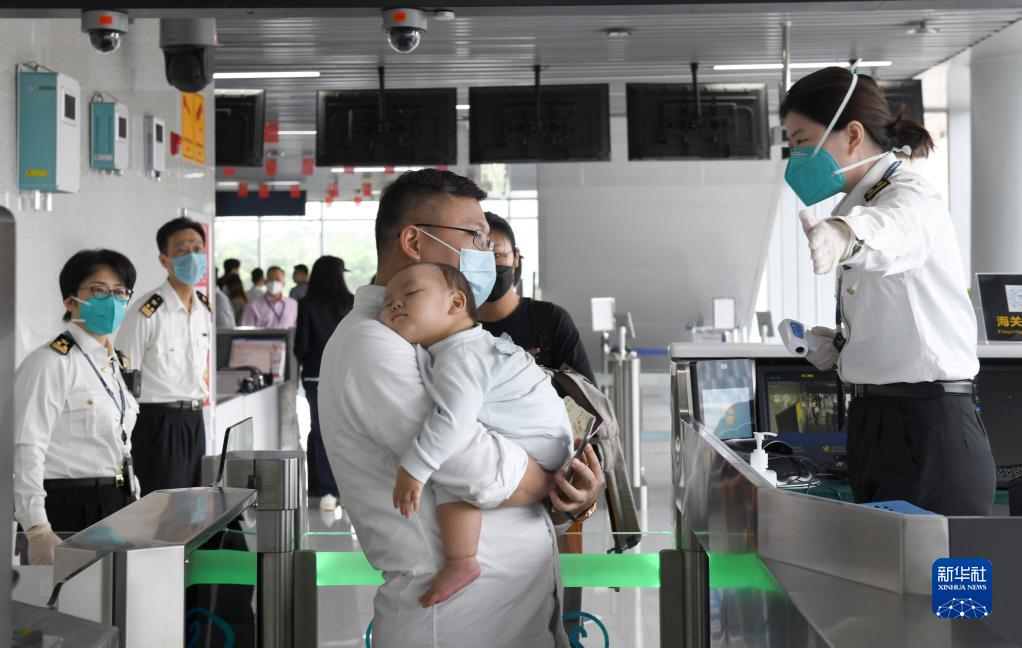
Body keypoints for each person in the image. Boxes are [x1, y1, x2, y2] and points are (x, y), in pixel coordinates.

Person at [318, 169, 603, 647]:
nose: (485, 253)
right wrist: (554, 478)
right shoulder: (372, 343)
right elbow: (475, 467)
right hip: (454, 625)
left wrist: (574, 498)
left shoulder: (435, 338)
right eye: (474, 236)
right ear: (414, 241)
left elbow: (507, 459)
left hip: (506, 618)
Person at [781, 65, 995, 516]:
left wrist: (843, 236)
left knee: (940, 565)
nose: (796, 157)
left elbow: (891, 232)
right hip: (878, 420)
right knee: (881, 562)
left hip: (927, 427)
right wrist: (845, 349)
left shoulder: (909, 195)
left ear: (852, 134)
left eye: (802, 141)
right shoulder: (865, 199)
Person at [384, 262, 573, 607]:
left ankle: (461, 559)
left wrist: (415, 467)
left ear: (456, 303)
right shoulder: (460, 347)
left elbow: (454, 419)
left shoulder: (460, 355)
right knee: (456, 466)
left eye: (409, 293)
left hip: (535, 442)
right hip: (546, 443)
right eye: (387, 302)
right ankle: (463, 560)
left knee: (451, 463)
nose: (395, 303)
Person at [14, 249, 141, 564]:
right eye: (99, 290)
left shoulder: (115, 363)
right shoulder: (50, 362)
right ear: (70, 301)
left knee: (115, 595)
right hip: (68, 507)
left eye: (119, 292)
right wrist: (37, 528)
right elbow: (26, 447)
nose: (111, 300)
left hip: (116, 502)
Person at [117, 217, 212, 495]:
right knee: (164, 505)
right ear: (164, 260)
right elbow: (123, 380)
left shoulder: (204, 309)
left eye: (197, 248)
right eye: (181, 250)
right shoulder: (146, 313)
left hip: (195, 419)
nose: (192, 255)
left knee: (195, 501)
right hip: (158, 423)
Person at [478, 212, 596, 384]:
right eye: (480, 257)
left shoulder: (550, 319)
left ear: (515, 257)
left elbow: (586, 393)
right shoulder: (456, 326)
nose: (489, 265)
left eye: (497, 255)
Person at [294, 255, 354, 511]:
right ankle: (345, 487)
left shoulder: (306, 304)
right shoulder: (351, 302)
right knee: (345, 429)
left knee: (319, 430)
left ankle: (324, 487)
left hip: (315, 375)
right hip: (346, 375)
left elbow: (301, 344)